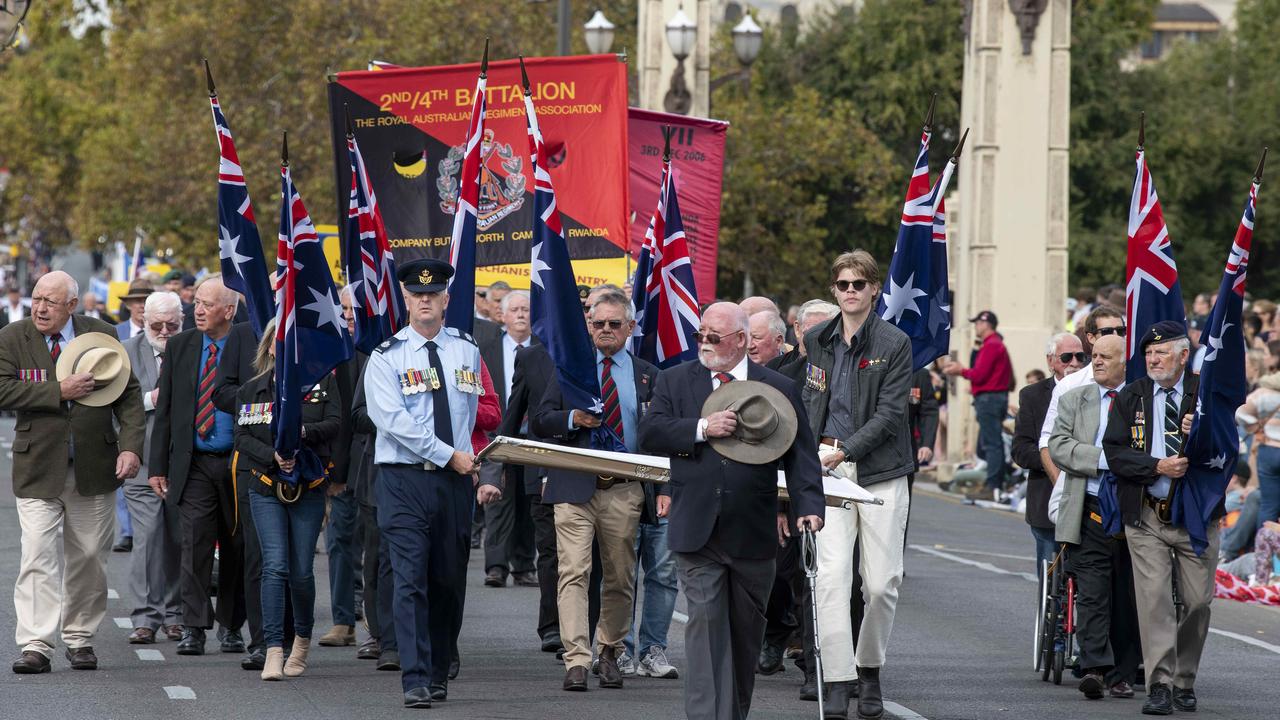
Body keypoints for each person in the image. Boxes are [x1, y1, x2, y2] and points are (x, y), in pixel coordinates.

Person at [640, 301, 825, 720]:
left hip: (753, 534)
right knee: (705, 629)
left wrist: (808, 507)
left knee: (744, 640)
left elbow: (802, 458)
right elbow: (649, 432)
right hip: (697, 532)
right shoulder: (675, 380)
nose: (703, 343)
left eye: (714, 337)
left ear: (741, 340)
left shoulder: (777, 387)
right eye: (700, 334)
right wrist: (703, 429)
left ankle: (732, 715)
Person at [0, 271, 144, 674]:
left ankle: (80, 639)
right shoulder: (13, 337)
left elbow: (129, 394)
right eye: (36, 298)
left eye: (51, 301)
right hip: (37, 468)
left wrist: (131, 446)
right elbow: (2, 388)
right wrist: (56, 390)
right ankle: (35, 644)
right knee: (36, 556)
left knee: (88, 558)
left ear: (72, 306)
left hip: (94, 466)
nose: (40, 308)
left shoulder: (101, 333)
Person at [363, 258, 483, 709]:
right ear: (407, 300)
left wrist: (470, 460)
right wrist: (448, 454)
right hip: (404, 481)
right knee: (410, 579)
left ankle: (437, 673)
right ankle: (414, 677)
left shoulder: (466, 350)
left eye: (434, 295)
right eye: (418, 295)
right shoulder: (385, 356)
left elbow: (470, 415)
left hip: (454, 484)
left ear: (446, 300)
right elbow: (391, 421)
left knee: (448, 580)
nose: (426, 301)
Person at [802, 251, 915, 719]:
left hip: (880, 470)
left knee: (882, 581)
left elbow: (891, 415)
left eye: (859, 283)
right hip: (826, 468)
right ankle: (840, 678)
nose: (850, 290)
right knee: (829, 578)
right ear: (834, 289)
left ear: (873, 289)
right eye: (843, 283)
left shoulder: (895, 341)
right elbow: (810, 404)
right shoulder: (816, 339)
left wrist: (844, 451)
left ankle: (869, 669)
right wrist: (804, 462)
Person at [531, 289, 661, 691]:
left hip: (624, 489)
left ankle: (609, 650)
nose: (605, 330)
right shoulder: (568, 368)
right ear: (588, 326)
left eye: (613, 324)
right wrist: (572, 417)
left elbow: (656, 435)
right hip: (574, 487)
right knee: (573, 572)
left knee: (621, 576)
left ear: (630, 327)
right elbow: (540, 421)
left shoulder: (646, 374)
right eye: (597, 323)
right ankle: (576, 659)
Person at [1103, 320, 1214, 716]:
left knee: (1198, 602)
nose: (1153, 359)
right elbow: (1114, 452)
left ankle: (1185, 679)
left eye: (1161, 352)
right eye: (1149, 353)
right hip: (1147, 512)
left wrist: (1200, 430)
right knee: (1154, 603)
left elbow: (1227, 448)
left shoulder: (1205, 394)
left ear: (1184, 356)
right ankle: (1161, 684)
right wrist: (1156, 466)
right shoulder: (1132, 395)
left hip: (1196, 516)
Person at [233, 320, 342, 680]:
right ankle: (273, 649)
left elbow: (336, 423)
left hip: (308, 488)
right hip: (265, 487)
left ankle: (301, 643)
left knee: (300, 571)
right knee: (274, 566)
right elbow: (242, 436)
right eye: (282, 342)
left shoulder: (322, 384)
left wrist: (302, 433)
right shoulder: (252, 390)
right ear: (269, 348)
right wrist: (274, 455)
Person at [148, 275, 247, 657]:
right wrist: (158, 466)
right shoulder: (182, 345)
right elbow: (167, 408)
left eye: (207, 304)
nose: (198, 310)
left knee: (237, 545)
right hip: (194, 464)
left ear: (229, 311)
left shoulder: (247, 343)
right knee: (195, 546)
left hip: (238, 463)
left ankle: (232, 626)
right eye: (197, 303)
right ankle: (193, 627)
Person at [1048, 335, 1141, 700]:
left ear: (1124, 362)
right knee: (1091, 591)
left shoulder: (1141, 401)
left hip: (1133, 510)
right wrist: (1106, 459)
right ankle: (1094, 668)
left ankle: (1123, 672)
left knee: (1127, 593)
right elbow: (1059, 446)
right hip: (1089, 508)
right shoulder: (1075, 398)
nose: (1096, 362)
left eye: (1105, 357)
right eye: (1094, 356)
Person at [121, 291, 184, 644]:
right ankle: (146, 616)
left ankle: (175, 614)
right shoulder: (126, 352)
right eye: (156, 325)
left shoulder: (190, 346)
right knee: (148, 538)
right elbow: (114, 403)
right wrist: (150, 399)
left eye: (171, 325)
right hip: (142, 462)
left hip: (183, 464)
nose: (164, 331)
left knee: (177, 538)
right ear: (143, 320)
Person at [478, 290, 538, 588]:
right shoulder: (487, 348)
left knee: (529, 502)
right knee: (498, 500)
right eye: (514, 309)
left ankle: (524, 565)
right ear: (503, 315)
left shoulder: (542, 349)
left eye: (526, 309)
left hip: (532, 438)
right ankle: (497, 566)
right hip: (496, 436)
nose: (521, 315)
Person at [1013, 332, 1085, 567]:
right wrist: (1056, 460)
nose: (1074, 363)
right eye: (1066, 357)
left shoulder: (1094, 388)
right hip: (1046, 497)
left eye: (1080, 356)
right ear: (1051, 361)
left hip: (1087, 498)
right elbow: (1021, 449)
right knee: (1049, 573)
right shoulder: (1032, 396)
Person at [318, 287, 365, 648]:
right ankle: (343, 620)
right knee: (339, 544)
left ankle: (376, 626)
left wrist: (342, 474)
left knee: (375, 548)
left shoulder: (375, 351)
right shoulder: (328, 353)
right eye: (343, 309)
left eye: (355, 309)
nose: (349, 315)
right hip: (334, 469)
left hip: (372, 466)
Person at [943, 309, 1014, 500]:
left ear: (986, 324)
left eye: (978, 323)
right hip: (993, 397)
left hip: (990, 399)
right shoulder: (994, 344)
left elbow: (979, 374)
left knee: (992, 444)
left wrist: (960, 370)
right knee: (991, 443)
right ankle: (993, 483)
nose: (976, 326)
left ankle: (993, 486)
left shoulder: (992, 345)